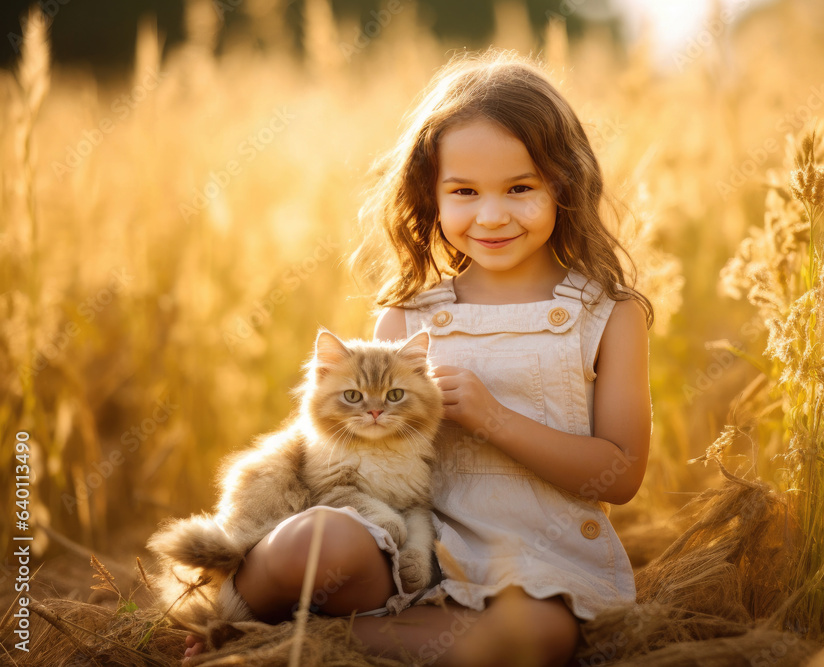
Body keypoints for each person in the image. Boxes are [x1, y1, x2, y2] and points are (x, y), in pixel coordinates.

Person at [184, 51, 652, 667]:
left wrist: (492, 417)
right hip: (406, 548)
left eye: (520, 187)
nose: (491, 215)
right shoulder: (407, 319)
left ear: (563, 184)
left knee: (536, 639)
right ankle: (223, 613)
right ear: (429, 196)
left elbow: (619, 475)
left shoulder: (607, 315)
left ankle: (283, 646)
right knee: (314, 540)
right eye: (464, 191)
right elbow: (346, 455)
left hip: (536, 565)